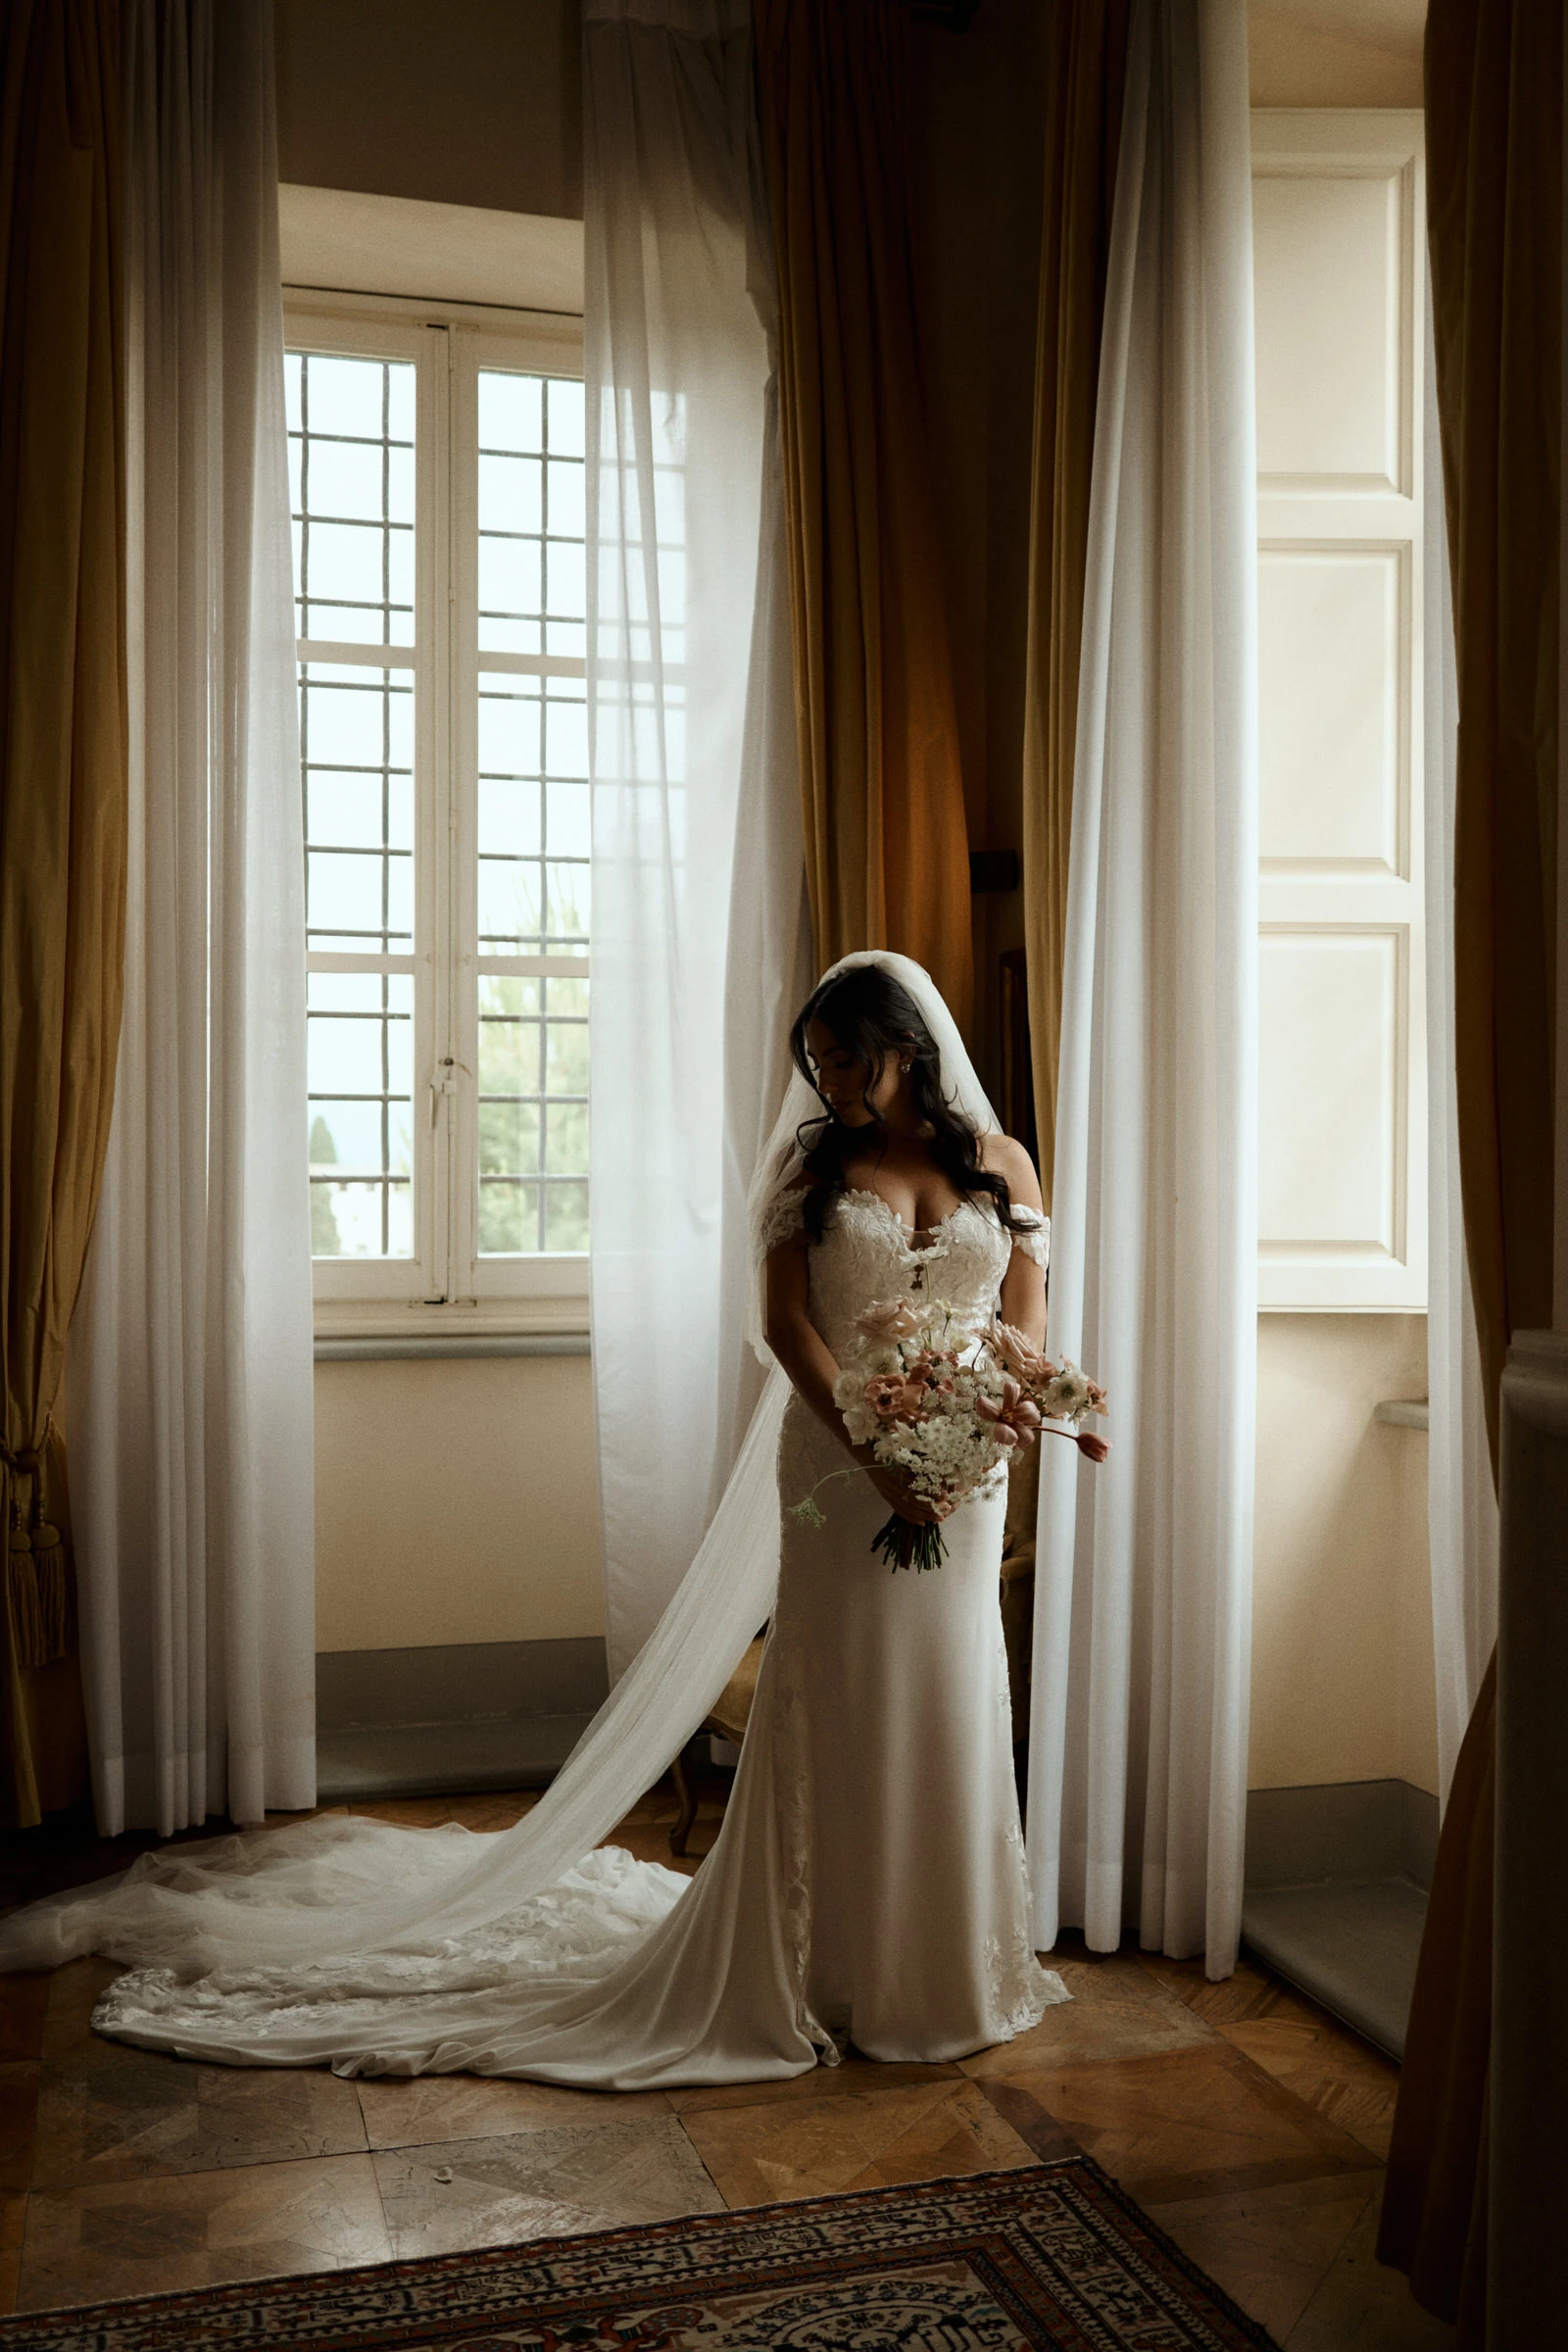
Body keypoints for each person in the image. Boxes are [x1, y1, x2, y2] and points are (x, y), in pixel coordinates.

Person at [0, 952, 1067, 2083]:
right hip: (838, 1463)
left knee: (950, 1698)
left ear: (906, 1047)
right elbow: (790, 1330)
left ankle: (942, 1966)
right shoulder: (815, 1169)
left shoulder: (998, 1163)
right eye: (818, 1062)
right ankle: (829, 1965)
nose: (830, 1080)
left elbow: (1025, 1319)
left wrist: (984, 1433)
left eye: (846, 1057)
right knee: (849, 1693)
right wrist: (871, 1447)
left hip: (964, 1465)